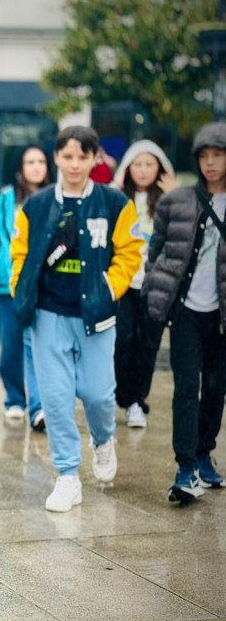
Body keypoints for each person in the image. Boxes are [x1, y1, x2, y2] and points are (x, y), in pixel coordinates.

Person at [10, 126, 143, 512]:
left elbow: (131, 252)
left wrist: (108, 286)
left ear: (94, 158)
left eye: (82, 157)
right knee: (54, 399)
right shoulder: (35, 205)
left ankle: (103, 440)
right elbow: (19, 253)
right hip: (48, 314)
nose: (73, 164)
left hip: (96, 315)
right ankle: (68, 475)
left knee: (100, 394)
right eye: (66, 156)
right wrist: (22, 289)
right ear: (56, 157)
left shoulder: (115, 203)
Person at [144, 122, 226, 503]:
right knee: (184, 389)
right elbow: (156, 249)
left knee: (215, 388)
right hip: (186, 311)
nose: (210, 164)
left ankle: (205, 454)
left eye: (218, 156)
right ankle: (185, 467)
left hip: (221, 316)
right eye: (204, 157)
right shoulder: (175, 201)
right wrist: (155, 288)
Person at [0, 145, 50, 430]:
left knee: (43, 347)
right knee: (11, 347)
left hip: (45, 287)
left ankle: (40, 407)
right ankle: (15, 399)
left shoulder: (56, 197)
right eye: (30, 161)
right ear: (20, 167)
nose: (35, 167)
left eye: (40, 161)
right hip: (8, 288)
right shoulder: (4, 200)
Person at [110, 141, 177, 429]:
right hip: (123, 283)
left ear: (160, 169)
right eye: (138, 164)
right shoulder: (116, 198)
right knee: (121, 341)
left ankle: (137, 400)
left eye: (150, 164)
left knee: (147, 345)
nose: (143, 170)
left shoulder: (169, 200)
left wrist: (175, 194)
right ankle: (122, 395)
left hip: (156, 285)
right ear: (127, 168)